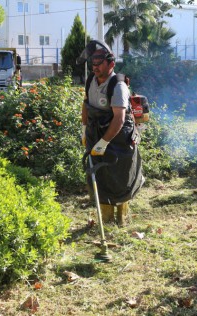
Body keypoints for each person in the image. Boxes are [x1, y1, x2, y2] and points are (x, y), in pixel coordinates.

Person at [78, 40, 144, 227]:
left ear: (111, 64)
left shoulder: (118, 86)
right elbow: (86, 105)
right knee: (100, 175)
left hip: (119, 136)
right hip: (95, 131)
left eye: (99, 63)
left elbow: (119, 119)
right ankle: (106, 218)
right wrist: (84, 130)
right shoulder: (91, 79)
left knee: (120, 175)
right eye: (93, 63)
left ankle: (122, 218)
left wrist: (104, 143)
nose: (95, 67)